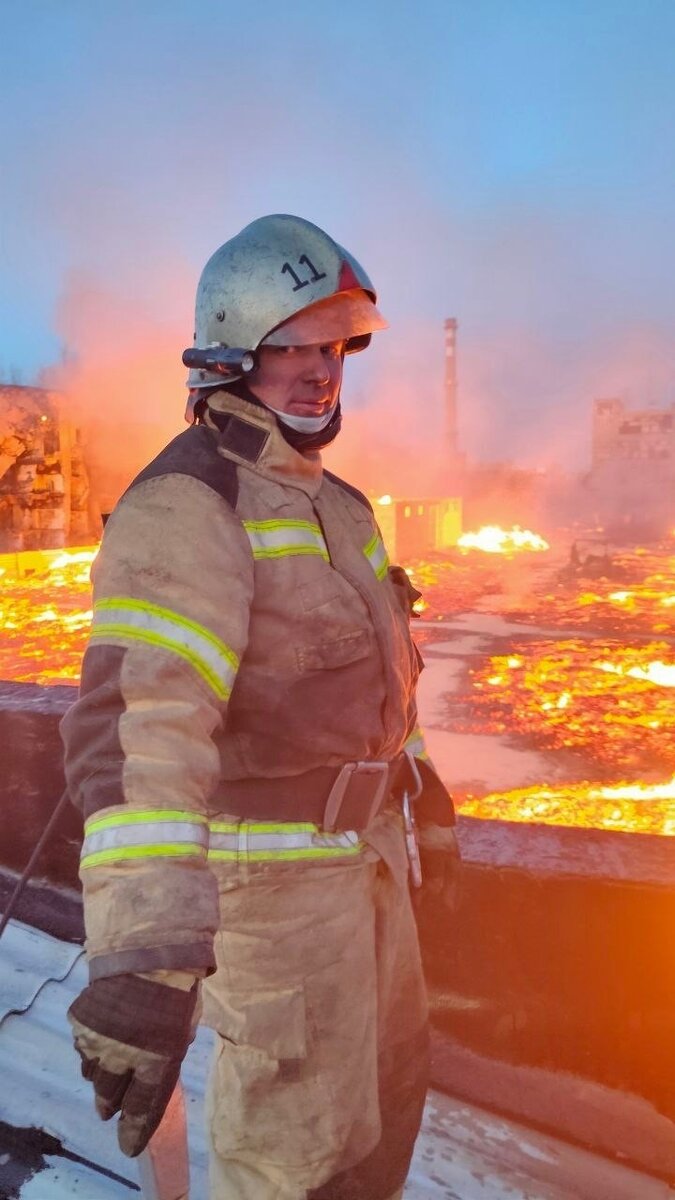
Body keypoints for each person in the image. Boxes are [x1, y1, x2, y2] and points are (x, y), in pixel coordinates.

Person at [60, 214, 459, 1200]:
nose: (320, 372)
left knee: (383, 1120)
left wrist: (421, 781)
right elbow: (146, 729)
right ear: (233, 353)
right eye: (292, 348)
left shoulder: (342, 506)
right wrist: (146, 958)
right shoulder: (191, 504)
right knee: (294, 1162)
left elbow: (373, 675)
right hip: (274, 908)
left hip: (369, 881)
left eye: (333, 348)